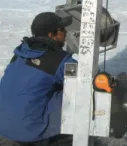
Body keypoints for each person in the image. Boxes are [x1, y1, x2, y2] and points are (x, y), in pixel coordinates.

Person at [0, 12, 76, 145]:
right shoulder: (59, 60)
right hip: (31, 132)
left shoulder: (20, 52)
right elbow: (86, 79)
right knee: (75, 93)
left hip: (4, 125)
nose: (65, 33)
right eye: (62, 30)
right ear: (51, 35)